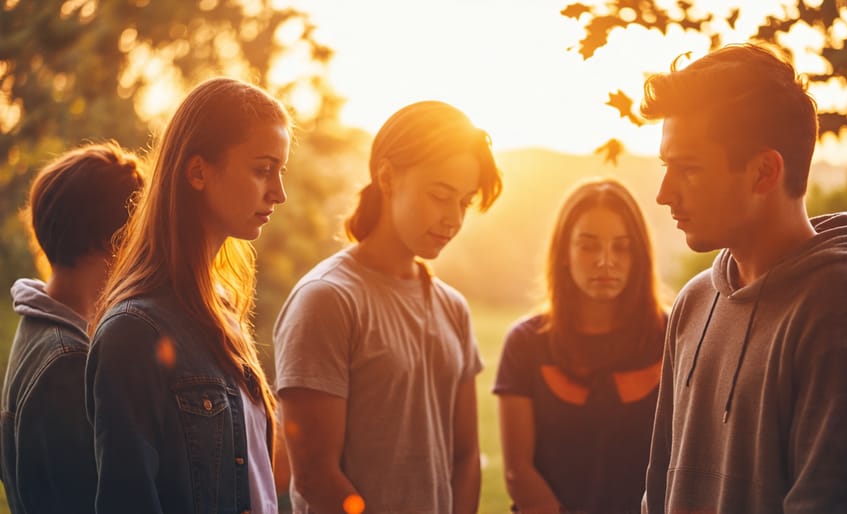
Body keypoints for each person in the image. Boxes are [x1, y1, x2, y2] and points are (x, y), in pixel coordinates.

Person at [641, 43, 847, 514]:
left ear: (764, 172)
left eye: (688, 169)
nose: (663, 193)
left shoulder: (845, 310)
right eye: (665, 166)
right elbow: (658, 491)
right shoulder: (694, 302)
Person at [274, 100, 502, 514]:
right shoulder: (327, 300)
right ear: (387, 176)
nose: (453, 219)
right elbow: (314, 474)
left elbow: (466, 457)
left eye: (464, 202)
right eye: (440, 195)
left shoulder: (453, 308)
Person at [85, 77, 291, 514]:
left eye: (281, 171)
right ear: (197, 171)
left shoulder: (223, 307)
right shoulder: (133, 331)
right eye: (262, 169)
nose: (279, 192)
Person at [493, 178, 666, 514]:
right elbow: (518, 470)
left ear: (639, 255)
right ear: (564, 254)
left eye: (621, 246)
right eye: (588, 246)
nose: (605, 260)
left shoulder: (674, 334)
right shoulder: (525, 343)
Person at [0, 141, 144, 514]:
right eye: (140, 229)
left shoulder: (38, 332)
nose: (146, 247)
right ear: (111, 239)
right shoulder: (69, 361)